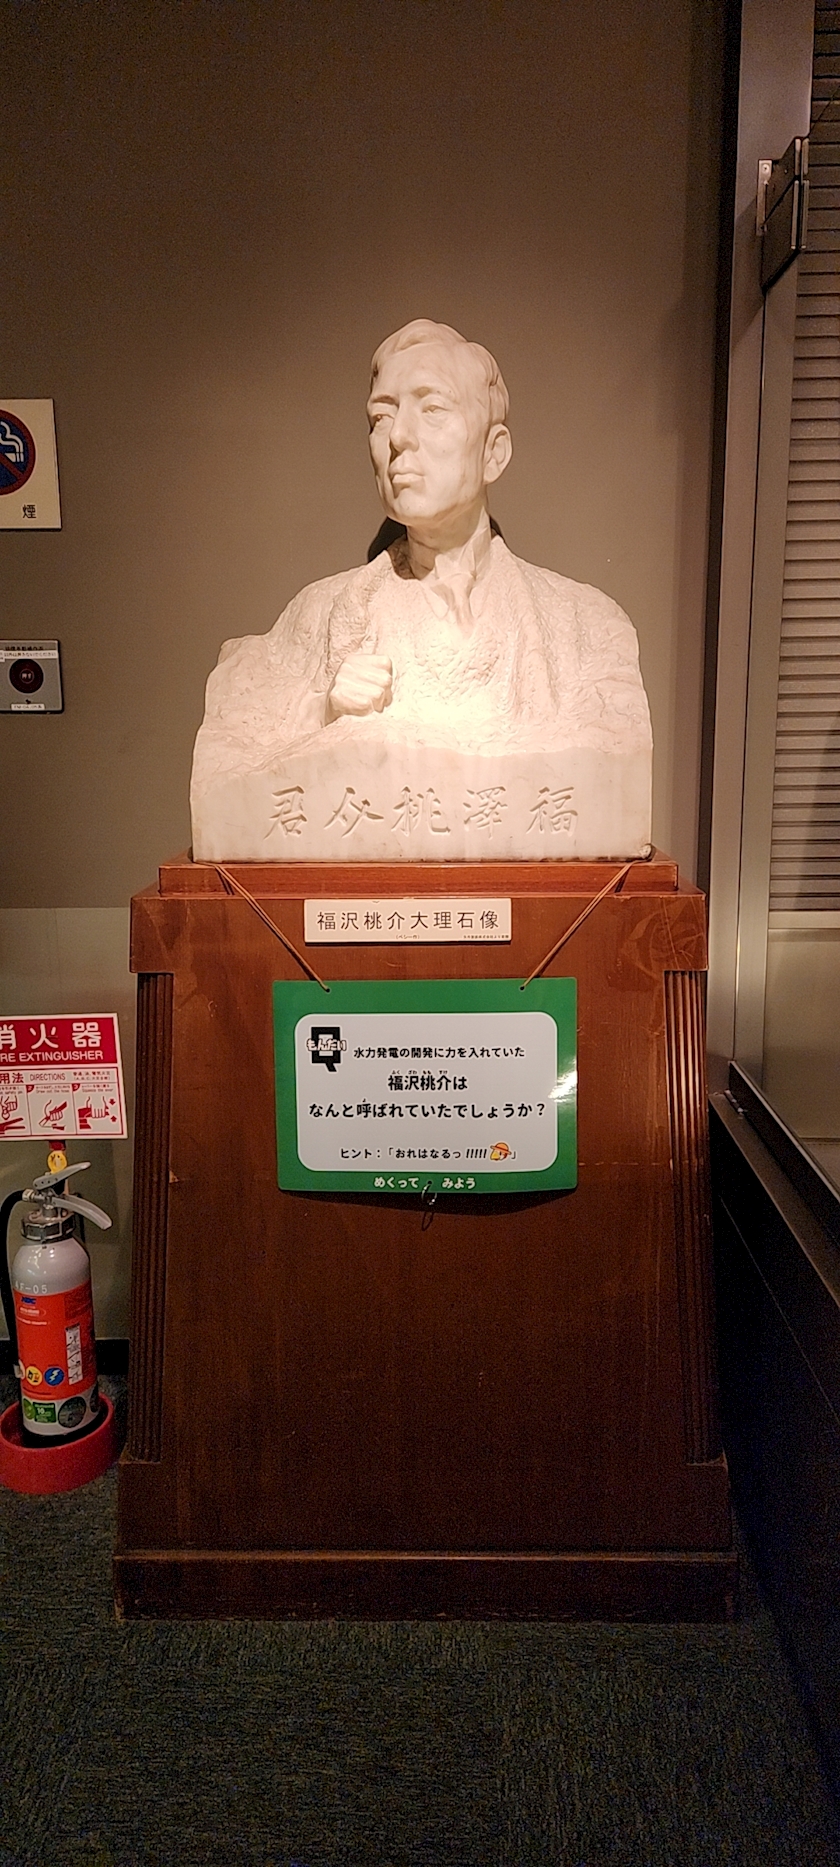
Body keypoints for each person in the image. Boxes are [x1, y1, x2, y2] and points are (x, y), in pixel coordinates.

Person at [190, 319, 651, 860]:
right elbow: (233, 749)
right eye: (381, 417)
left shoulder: (588, 627)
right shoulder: (316, 616)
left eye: (432, 409)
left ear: (494, 453)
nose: (398, 438)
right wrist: (322, 710)